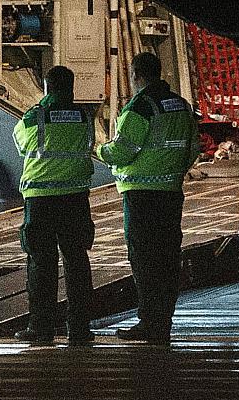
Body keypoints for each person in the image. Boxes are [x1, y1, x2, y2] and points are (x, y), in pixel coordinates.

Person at [99, 52, 198, 345]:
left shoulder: (140, 108)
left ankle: (148, 322)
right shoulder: (181, 106)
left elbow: (122, 150)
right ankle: (163, 320)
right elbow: (193, 146)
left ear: (136, 75)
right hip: (171, 193)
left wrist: (102, 151)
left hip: (142, 197)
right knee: (168, 258)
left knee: (144, 259)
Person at [11, 66, 95, 346]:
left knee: (41, 262)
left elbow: (21, 144)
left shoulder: (35, 117)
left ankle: (41, 328)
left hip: (41, 199)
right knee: (77, 262)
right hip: (75, 198)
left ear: (46, 88)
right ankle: (80, 329)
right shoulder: (85, 116)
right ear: (72, 88)